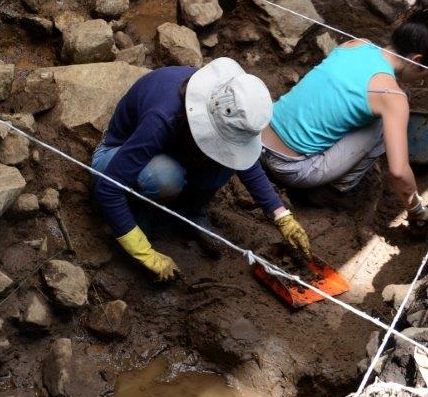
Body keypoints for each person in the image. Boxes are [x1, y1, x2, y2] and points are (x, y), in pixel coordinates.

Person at [91, 57, 311, 281]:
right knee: (164, 176)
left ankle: (192, 211)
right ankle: (138, 209)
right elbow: (109, 189)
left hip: (169, 147)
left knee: (228, 159)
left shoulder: (225, 104)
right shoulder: (163, 116)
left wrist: (281, 215)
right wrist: (143, 253)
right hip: (115, 154)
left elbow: (246, 164)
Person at [260, 0, 428, 225]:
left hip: (258, 139)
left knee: (367, 109)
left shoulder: (356, 44)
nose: (427, 78)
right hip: (290, 168)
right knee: (383, 125)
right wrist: (417, 210)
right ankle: (333, 191)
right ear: (417, 60)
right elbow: (398, 171)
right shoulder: (392, 97)